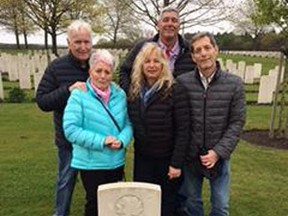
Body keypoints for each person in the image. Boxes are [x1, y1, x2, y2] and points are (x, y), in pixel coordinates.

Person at [175, 32, 246, 216]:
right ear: (192, 57)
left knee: (220, 206)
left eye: (207, 48)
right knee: (192, 203)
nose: (203, 53)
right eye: (198, 50)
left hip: (219, 156)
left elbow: (237, 122)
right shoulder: (182, 83)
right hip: (191, 156)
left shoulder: (235, 84)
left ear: (216, 50)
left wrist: (218, 152)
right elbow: (178, 119)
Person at [63, 49, 133, 216]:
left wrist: (122, 140)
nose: (103, 76)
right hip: (91, 163)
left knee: (114, 205)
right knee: (95, 204)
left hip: (116, 161)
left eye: (107, 72)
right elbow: (71, 130)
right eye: (98, 71)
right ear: (90, 71)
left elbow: (128, 124)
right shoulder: (79, 95)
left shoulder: (120, 95)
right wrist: (102, 141)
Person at [35, 20, 93, 216]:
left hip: (94, 140)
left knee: (94, 186)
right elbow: (42, 101)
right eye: (78, 42)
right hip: (68, 141)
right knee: (66, 181)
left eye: (86, 41)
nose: (83, 46)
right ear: (69, 43)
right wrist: (67, 90)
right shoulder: (56, 67)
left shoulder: (98, 65)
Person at [127, 42, 190, 216]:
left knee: (166, 203)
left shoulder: (175, 90)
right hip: (143, 158)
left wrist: (176, 164)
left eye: (156, 61)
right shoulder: (135, 91)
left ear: (163, 64)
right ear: (141, 64)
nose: (152, 65)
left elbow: (184, 130)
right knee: (143, 201)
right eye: (147, 61)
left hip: (167, 160)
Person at [120, 5, 195, 93]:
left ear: (179, 25)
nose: (170, 24)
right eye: (165, 20)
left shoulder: (191, 50)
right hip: (146, 104)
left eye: (174, 20)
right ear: (158, 24)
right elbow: (124, 71)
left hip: (181, 104)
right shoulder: (142, 47)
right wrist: (131, 95)